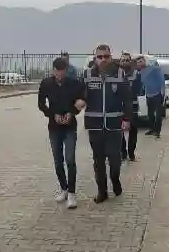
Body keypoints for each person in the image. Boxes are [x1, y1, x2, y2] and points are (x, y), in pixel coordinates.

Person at [79, 44, 134, 203]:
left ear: (111, 57)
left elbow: (128, 99)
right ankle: (102, 191)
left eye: (106, 56)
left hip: (114, 125)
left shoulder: (120, 74)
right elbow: (78, 94)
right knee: (98, 161)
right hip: (94, 125)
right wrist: (78, 101)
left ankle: (115, 180)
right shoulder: (87, 75)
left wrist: (127, 119)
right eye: (100, 57)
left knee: (115, 160)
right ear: (95, 58)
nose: (103, 59)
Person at [38, 57, 85, 209]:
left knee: (70, 159)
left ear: (66, 70)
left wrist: (72, 113)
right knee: (58, 161)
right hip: (54, 127)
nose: (60, 74)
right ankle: (64, 189)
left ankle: (72, 193)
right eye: (57, 71)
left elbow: (82, 100)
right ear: (53, 70)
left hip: (70, 126)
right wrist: (52, 115)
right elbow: (41, 104)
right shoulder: (46, 84)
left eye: (62, 71)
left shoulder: (74, 84)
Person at [136, 55, 166, 138]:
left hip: (157, 95)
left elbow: (162, 80)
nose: (139, 63)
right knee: (150, 115)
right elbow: (142, 84)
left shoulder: (154, 68)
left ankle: (157, 131)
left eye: (141, 61)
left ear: (145, 61)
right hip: (148, 96)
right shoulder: (140, 72)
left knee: (158, 115)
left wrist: (163, 93)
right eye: (138, 62)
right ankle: (152, 129)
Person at [119, 53, 142, 161]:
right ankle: (123, 153)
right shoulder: (116, 74)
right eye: (123, 60)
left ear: (130, 62)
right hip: (119, 107)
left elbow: (138, 90)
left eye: (127, 60)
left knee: (133, 131)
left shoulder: (136, 74)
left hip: (133, 106)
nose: (125, 62)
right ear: (120, 62)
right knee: (119, 131)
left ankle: (131, 153)